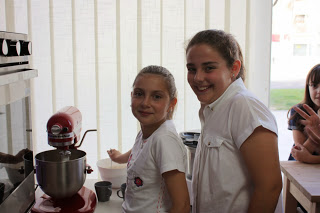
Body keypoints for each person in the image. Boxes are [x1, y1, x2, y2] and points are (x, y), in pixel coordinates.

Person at [185, 29, 282, 213]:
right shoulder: (212, 108)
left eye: (209, 68)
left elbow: (270, 187)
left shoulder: (245, 107)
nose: (197, 78)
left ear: (234, 68)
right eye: (192, 69)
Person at [107, 65, 190, 213]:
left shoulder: (165, 140)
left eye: (156, 96)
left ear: (172, 103)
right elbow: (142, 151)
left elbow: (182, 206)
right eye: (139, 94)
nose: (145, 103)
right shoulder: (149, 130)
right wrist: (119, 157)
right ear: (131, 95)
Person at [288, 64, 320, 163]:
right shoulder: (298, 112)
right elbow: (300, 153)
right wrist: (315, 132)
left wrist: (311, 159)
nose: (319, 91)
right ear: (308, 87)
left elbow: (307, 157)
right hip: (299, 170)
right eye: (314, 86)